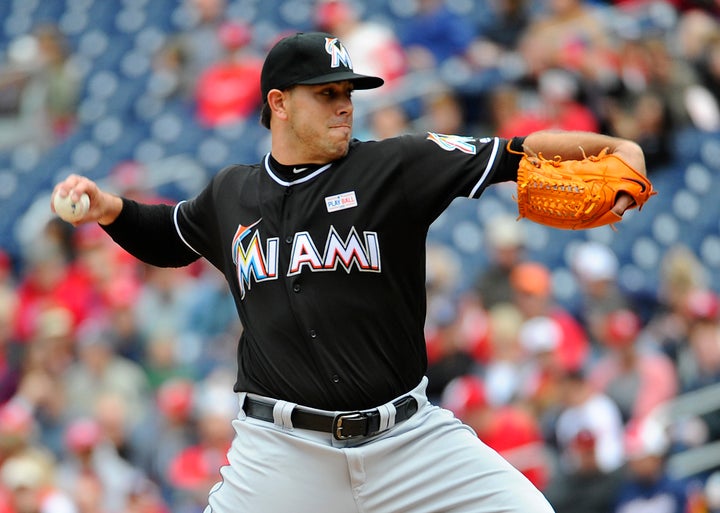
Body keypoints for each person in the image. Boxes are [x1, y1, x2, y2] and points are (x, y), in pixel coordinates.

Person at [51, 31, 646, 513]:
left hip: (408, 441)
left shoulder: (395, 166)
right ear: (278, 104)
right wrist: (110, 210)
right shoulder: (231, 194)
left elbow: (516, 151)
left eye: (348, 93)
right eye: (325, 93)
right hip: (283, 453)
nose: (344, 105)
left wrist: (617, 150)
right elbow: (171, 235)